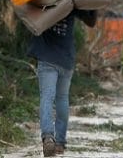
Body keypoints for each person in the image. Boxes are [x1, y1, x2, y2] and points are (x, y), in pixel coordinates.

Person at [28, 9, 97, 157]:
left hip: (47, 58)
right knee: (62, 99)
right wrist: (94, 6)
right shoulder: (72, 2)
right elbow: (91, 22)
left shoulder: (44, 0)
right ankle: (59, 143)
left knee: (47, 97)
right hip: (66, 59)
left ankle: (48, 137)